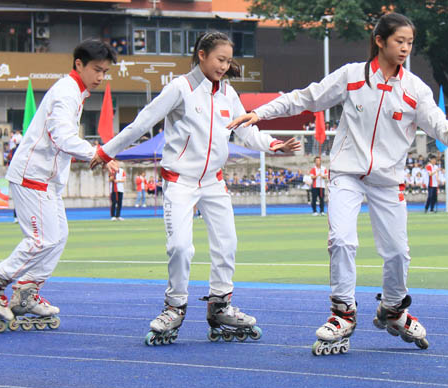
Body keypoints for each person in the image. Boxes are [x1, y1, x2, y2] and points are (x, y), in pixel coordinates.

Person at [227, 12, 448, 355]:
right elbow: (306, 97)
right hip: (347, 174)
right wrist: (261, 114)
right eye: (399, 41)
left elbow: (440, 126)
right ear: (380, 41)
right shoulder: (352, 76)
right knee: (342, 241)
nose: (405, 48)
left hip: (388, 181)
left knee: (398, 253)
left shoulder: (415, 90)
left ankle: (392, 309)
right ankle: (343, 312)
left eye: (410, 43)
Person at [90, 32, 301, 345]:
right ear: (201, 55)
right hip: (180, 181)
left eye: (229, 61)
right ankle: (174, 305)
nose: (224, 66)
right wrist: (107, 151)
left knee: (227, 243)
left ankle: (220, 306)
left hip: (214, 182)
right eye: (220, 59)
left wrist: (275, 144)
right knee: (180, 247)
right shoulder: (181, 88)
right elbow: (142, 121)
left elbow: (245, 132)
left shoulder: (228, 93)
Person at [0, 39, 116, 331]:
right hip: (32, 176)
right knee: (42, 239)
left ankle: (25, 294)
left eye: (105, 72)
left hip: (46, 180)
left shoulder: (76, 93)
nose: (101, 77)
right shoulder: (66, 93)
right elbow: (62, 137)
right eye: (97, 70)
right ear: (79, 64)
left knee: (57, 237)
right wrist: (98, 154)